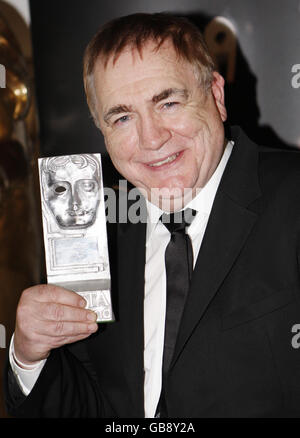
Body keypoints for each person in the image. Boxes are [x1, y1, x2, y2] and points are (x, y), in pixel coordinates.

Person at [4, 12, 300, 418]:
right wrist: (29, 356)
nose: (152, 138)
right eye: (123, 117)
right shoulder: (90, 233)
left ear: (216, 95)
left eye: (169, 102)